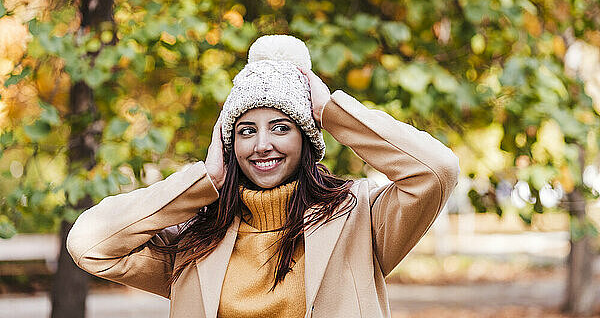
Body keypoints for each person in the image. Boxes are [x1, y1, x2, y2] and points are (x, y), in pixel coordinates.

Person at [67, 34, 459, 318]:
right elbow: (89, 243)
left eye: (281, 127)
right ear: (229, 145)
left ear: (306, 137)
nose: (262, 145)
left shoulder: (359, 218)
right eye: (246, 131)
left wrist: (331, 113)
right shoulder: (196, 243)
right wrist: (206, 180)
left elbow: (435, 170)